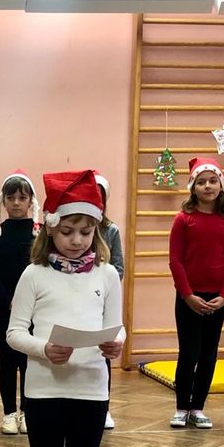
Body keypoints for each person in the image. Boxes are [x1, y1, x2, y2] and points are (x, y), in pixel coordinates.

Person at [7, 169, 123, 447]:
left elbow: (117, 327)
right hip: (44, 390)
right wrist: (44, 349)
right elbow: (14, 333)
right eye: (68, 231)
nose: (77, 240)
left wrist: (116, 344)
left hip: (91, 389)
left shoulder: (107, 275)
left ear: (97, 231)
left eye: (86, 232)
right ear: (51, 229)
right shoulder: (34, 275)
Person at [168, 157, 224, 430]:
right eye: (201, 182)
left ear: (220, 185)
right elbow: (175, 261)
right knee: (189, 353)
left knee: (209, 353)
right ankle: (181, 407)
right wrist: (187, 295)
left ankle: (198, 407)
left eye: (212, 181)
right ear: (193, 187)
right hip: (189, 297)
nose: (207, 186)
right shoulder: (183, 219)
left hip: (218, 298)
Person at [0, 169, 39, 435]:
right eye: (11, 198)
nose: (16, 203)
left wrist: (29, 303)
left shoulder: (40, 234)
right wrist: (8, 301)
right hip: (3, 308)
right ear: (3, 201)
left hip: (35, 310)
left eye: (22, 198)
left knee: (29, 361)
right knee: (6, 360)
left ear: (30, 201)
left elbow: (44, 269)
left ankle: (27, 412)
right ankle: (8, 413)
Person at [94, 173, 124, 430]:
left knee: (104, 351)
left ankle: (103, 407)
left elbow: (118, 267)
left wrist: (105, 290)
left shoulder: (110, 230)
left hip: (102, 301)